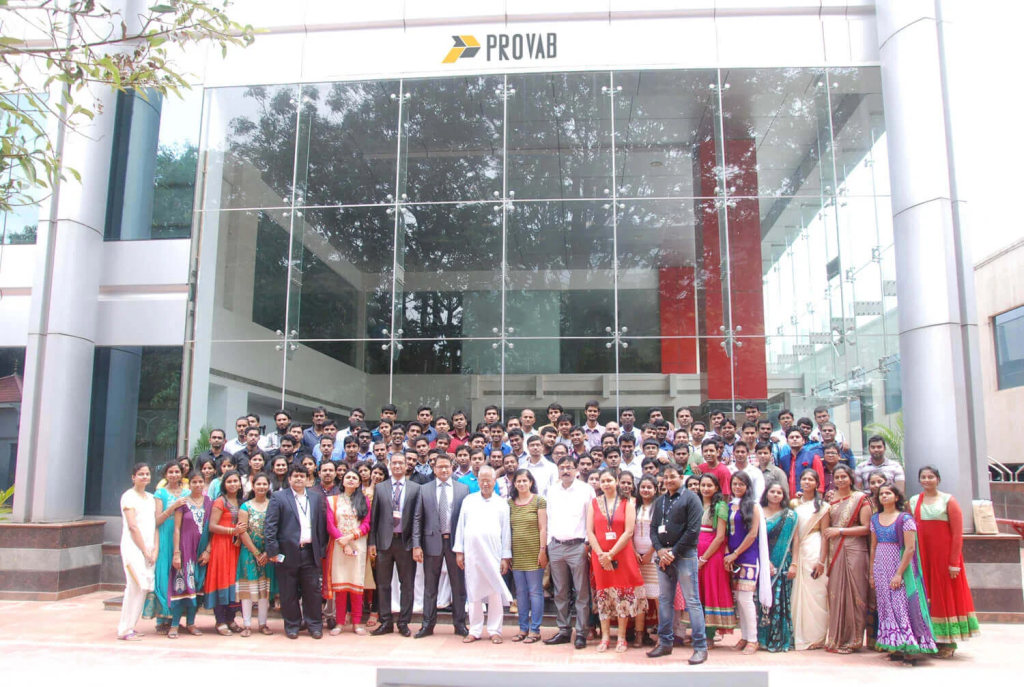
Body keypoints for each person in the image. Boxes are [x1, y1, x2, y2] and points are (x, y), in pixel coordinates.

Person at [909, 465, 980, 657]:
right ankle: (930, 638)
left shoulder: (949, 500)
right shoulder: (914, 501)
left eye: (930, 477)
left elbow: (957, 534)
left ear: (938, 479)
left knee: (945, 595)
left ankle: (948, 642)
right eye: (923, 477)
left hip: (943, 557)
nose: (927, 480)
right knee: (927, 595)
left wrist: (954, 562)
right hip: (923, 556)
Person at [870, 483, 938, 665]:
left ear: (897, 497)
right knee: (886, 606)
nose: (884, 496)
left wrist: (899, 573)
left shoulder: (905, 519)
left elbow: (910, 548)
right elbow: (873, 546)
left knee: (902, 605)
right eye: (881, 494)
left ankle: (910, 648)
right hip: (881, 566)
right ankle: (896, 646)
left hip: (901, 567)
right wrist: (872, 572)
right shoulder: (875, 519)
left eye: (888, 493)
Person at [648, 464, 707, 664]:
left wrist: (673, 552)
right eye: (665, 477)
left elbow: (693, 530)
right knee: (665, 600)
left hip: (685, 555)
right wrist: (659, 550)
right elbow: (653, 529)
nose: (669, 480)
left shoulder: (691, 498)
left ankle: (700, 647)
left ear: (682, 477)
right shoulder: (660, 501)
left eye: (672, 476)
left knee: (692, 601)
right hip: (664, 555)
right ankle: (665, 643)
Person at [266, 463, 329, 639]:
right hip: (287, 553)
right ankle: (292, 625)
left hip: (310, 551)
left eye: (302, 476)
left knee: (312, 591)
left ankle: (314, 625)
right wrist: (273, 552)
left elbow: (321, 526)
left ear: (308, 479)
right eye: (296, 476)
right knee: (289, 592)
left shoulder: (315, 497)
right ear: (289, 479)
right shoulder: (279, 497)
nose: (299, 479)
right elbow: (270, 526)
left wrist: (321, 550)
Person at [587, 468, 647, 653]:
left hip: (621, 555)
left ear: (616, 481)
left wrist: (610, 554)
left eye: (609, 480)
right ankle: (605, 637)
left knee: (622, 595)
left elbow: (628, 532)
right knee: (603, 595)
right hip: (600, 557)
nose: (606, 484)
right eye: (603, 481)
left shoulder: (627, 503)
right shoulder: (594, 503)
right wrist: (601, 555)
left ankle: (621, 637)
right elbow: (590, 531)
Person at [454, 465, 513, 643]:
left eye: (489, 480)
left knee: (495, 591)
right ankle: (475, 629)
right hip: (472, 553)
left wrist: (505, 557)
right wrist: (459, 552)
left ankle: (495, 630)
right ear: (478, 481)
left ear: (495, 481)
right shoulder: (469, 500)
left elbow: (506, 532)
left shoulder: (502, 504)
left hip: (493, 553)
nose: (485, 484)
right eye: (482, 480)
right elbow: (461, 526)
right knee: (473, 591)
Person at [413, 454, 470, 638]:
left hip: (455, 543)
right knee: (430, 587)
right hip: (431, 543)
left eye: (447, 466)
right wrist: (416, 545)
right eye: (440, 467)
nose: (444, 470)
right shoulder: (424, 489)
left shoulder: (463, 489)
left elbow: (466, 520)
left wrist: (465, 546)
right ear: (434, 469)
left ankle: (460, 625)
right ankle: (427, 625)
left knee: (458, 586)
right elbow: (417, 518)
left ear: (452, 467)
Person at [369, 452, 421, 637]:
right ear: (390, 465)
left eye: (401, 463)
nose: (398, 466)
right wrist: (372, 542)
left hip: (406, 542)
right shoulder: (380, 487)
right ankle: (385, 621)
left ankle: (404, 622)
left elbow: (417, 518)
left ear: (407, 465)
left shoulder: (416, 488)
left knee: (407, 584)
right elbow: (374, 517)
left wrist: (417, 544)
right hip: (384, 542)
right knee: (383, 584)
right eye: (395, 463)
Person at [544, 455, 593, 649]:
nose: (565, 471)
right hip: (556, 546)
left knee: (581, 592)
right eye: (562, 468)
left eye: (569, 467)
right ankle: (563, 630)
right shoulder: (552, 491)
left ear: (576, 470)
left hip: (578, 546)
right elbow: (549, 518)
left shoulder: (586, 490)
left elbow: (591, 518)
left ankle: (581, 632)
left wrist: (587, 543)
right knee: (560, 592)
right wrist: (549, 543)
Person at [823, 464, 871, 653]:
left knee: (856, 594)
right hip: (835, 550)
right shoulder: (829, 499)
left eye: (844, 476)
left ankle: (854, 640)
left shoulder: (860, 499)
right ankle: (836, 638)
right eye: (837, 477)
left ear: (851, 478)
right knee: (836, 593)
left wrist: (840, 531)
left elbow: (867, 528)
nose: (840, 480)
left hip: (855, 549)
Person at [683, 473, 735, 644]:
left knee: (711, 590)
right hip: (693, 552)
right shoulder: (694, 502)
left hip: (712, 555)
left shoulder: (720, 506)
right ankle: (698, 632)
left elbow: (720, 537)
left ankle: (710, 635)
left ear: (716, 487)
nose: (705, 488)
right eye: (703, 485)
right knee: (697, 592)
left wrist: (704, 559)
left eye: (709, 485)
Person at [725, 471, 771, 654]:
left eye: (741, 484)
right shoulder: (729, 505)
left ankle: (753, 639)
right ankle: (744, 636)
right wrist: (728, 554)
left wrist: (735, 553)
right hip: (732, 557)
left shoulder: (753, 506)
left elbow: (752, 534)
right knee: (738, 598)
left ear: (747, 486)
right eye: (735, 483)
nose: (737, 487)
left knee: (745, 598)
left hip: (748, 556)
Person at [143, 461, 190, 634]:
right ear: (165, 474)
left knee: (179, 577)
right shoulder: (160, 493)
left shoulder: (187, 493)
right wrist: (173, 507)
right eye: (170, 472)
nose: (174, 475)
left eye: (177, 472)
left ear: (182, 474)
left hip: (182, 538)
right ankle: (161, 619)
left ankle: (175, 619)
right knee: (163, 576)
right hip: (164, 537)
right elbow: (157, 521)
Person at [325, 468, 372, 636]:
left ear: (359, 483)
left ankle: (357, 623)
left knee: (356, 584)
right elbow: (330, 524)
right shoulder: (332, 501)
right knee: (341, 585)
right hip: (338, 546)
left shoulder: (364, 501)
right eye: (348, 477)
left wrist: (351, 537)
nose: (351, 480)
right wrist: (343, 541)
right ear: (342, 481)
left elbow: (366, 524)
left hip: (358, 546)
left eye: (354, 478)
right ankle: (339, 622)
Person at [117, 463, 160, 641]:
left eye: (147, 474)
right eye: (140, 474)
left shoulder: (151, 498)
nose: (144, 477)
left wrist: (154, 550)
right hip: (133, 548)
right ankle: (124, 630)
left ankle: (131, 627)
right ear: (133, 477)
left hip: (149, 549)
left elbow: (155, 525)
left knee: (143, 588)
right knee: (134, 586)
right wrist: (144, 551)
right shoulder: (128, 497)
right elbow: (133, 527)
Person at [506, 468, 547, 644]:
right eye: (518, 481)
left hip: (534, 552)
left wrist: (543, 551)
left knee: (535, 591)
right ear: (514, 484)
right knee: (520, 593)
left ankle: (535, 630)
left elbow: (543, 528)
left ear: (531, 482)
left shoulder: (539, 501)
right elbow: (507, 530)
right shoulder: (509, 503)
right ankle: (523, 628)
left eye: (525, 480)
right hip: (517, 554)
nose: (522, 484)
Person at [169, 471, 210, 638]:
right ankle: (174, 624)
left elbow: (212, 529)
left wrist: (208, 550)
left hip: (201, 550)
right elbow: (177, 529)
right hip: (185, 549)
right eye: (194, 482)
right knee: (181, 585)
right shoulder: (183, 502)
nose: (198, 485)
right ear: (189, 484)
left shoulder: (209, 502)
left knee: (197, 586)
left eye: (200, 482)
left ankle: (191, 623)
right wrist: (176, 553)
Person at [792, 469, 830, 650]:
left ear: (817, 484)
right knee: (797, 591)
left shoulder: (823, 506)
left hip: (814, 548)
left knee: (816, 592)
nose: (807, 482)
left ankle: (817, 637)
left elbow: (825, 535)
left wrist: (821, 561)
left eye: (811, 479)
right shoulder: (793, 504)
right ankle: (798, 634)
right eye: (804, 479)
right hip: (797, 549)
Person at [757, 482, 798, 652]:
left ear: (783, 496)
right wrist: (765, 560)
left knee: (779, 599)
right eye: (772, 491)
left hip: (782, 562)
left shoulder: (790, 516)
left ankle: (778, 638)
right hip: (760, 561)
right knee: (761, 600)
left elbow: (796, 541)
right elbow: (753, 538)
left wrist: (794, 563)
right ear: (766, 494)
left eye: (779, 492)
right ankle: (761, 639)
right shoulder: (758, 512)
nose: (775, 495)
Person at [204, 469, 245, 635]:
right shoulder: (220, 502)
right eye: (229, 481)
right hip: (221, 546)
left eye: (235, 481)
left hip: (236, 547)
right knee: (222, 580)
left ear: (240, 484)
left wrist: (239, 536)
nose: (233, 484)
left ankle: (230, 618)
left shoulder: (242, 502)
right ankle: (220, 620)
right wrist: (232, 531)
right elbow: (212, 526)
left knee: (234, 582)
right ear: (224, 485)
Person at [237, 472, 275, 637]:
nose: (261, 487)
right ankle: (246, 624)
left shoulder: (273, 505)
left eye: (264, 484)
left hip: (268, 553)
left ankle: (262, 623)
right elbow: (242, 531)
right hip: (249, 552)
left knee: (264, 590)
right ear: (253, 486)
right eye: (258, 484)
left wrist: (267, 552)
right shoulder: (245, 506)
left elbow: (276, 529)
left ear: (268, 486)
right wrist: (257, 553)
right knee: (248, 589)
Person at [631, 474, 659, 648]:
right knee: (639, 596)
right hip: (636, 557)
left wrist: (650, 552)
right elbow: (628, 532)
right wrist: (634, 552)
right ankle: (639, 634)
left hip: (654, 556)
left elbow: (661, 533)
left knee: (657, 597)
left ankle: (663, 636)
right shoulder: (634, 507)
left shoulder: (659, 507)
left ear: (655, 489)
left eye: (649, 487)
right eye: (643, 487)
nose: (646, 490)